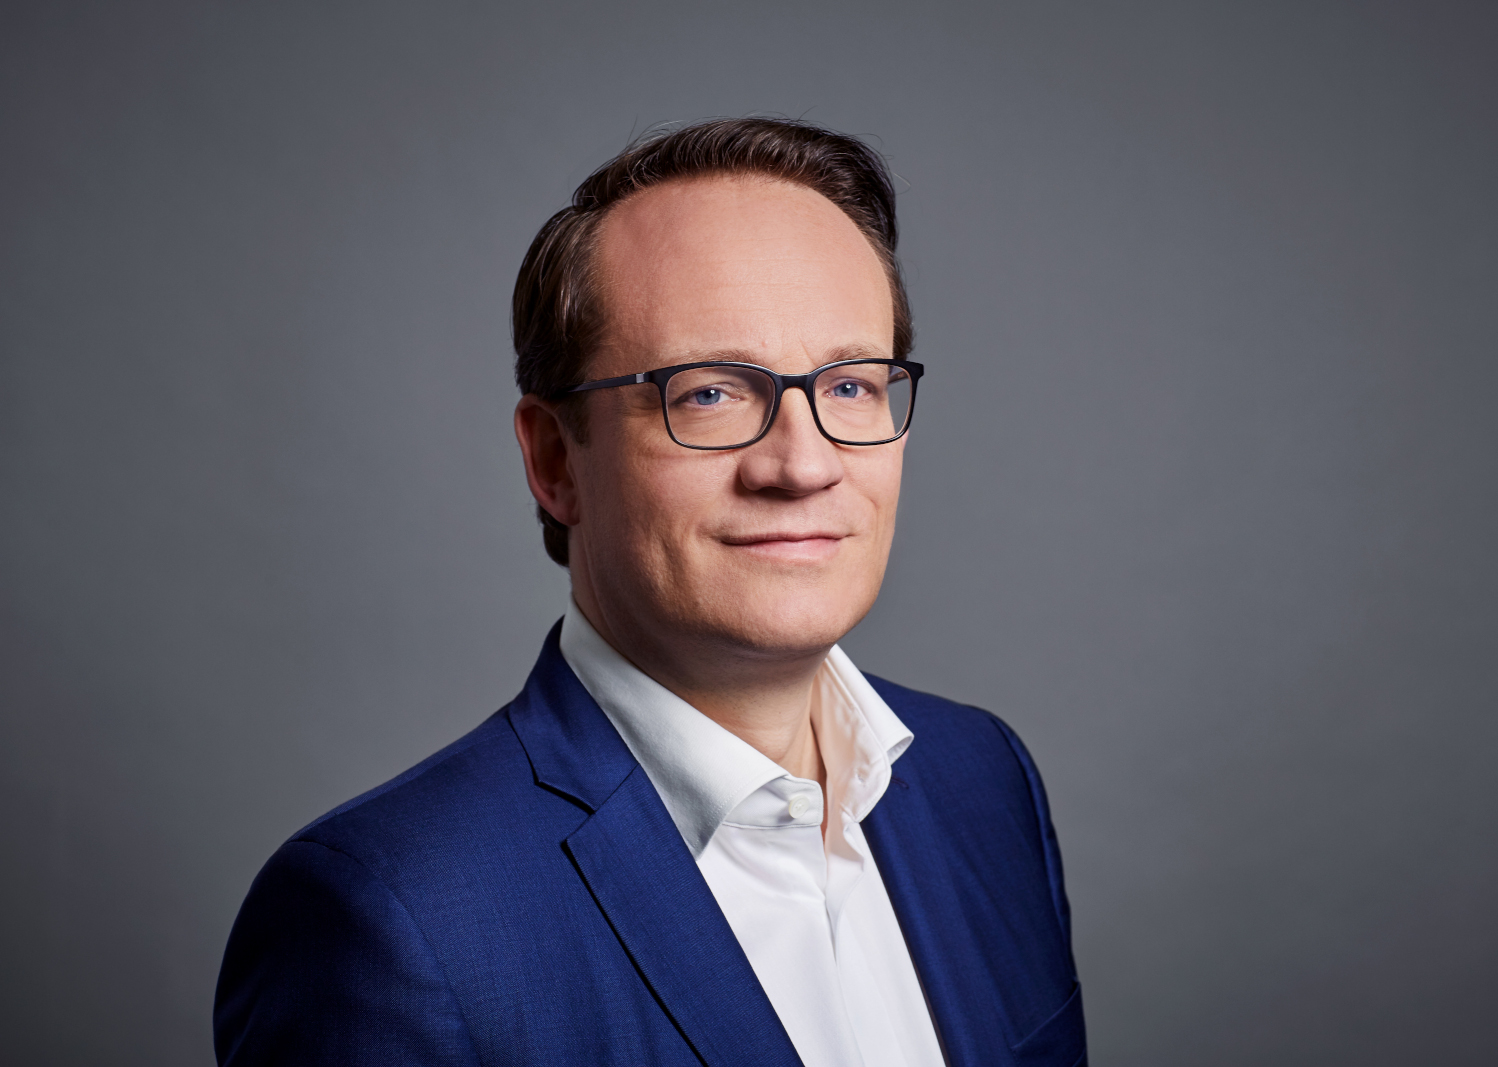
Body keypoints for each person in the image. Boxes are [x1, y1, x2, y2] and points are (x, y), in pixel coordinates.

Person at [214, 117, 1086, 1067]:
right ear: (556, 461)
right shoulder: (392, 921)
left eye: (850, 386)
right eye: (708, 393)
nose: (803, 465)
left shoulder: (984, 780)